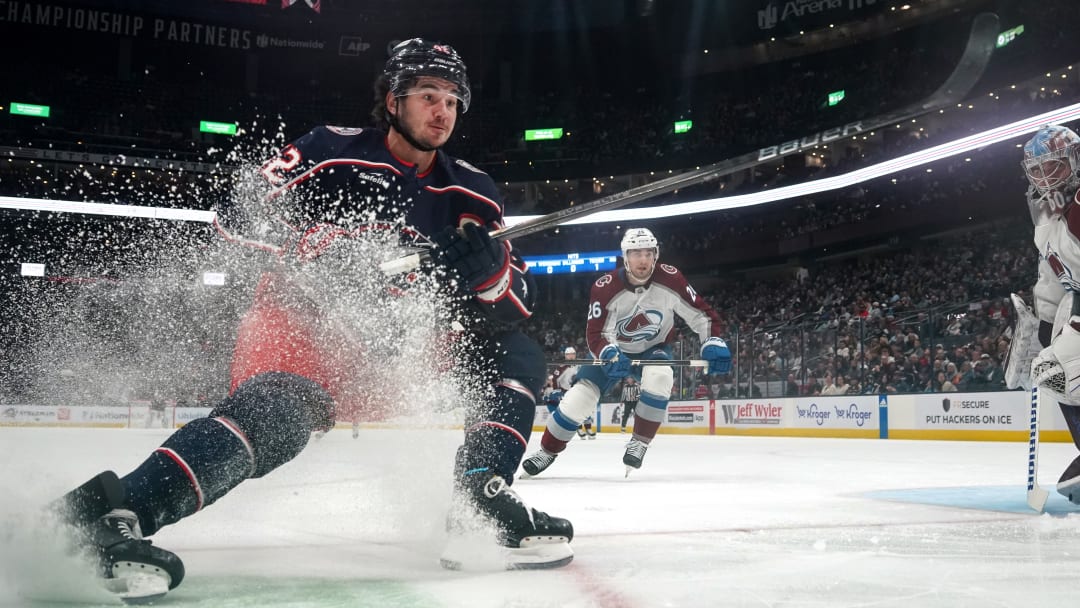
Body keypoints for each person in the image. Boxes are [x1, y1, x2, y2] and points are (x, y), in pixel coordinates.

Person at [51, 38, 573, 602]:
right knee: (278, 418)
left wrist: (489, 273)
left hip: (397, 355)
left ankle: (481, 496)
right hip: (299, 330)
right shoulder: (329, 149)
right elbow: (235, 211)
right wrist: (318, 250)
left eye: (451, 98)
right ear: (393, 101)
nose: (442, 110)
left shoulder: (473, 190)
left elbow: (520, 298)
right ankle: (112, 514)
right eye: (427, 95)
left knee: (513, 349)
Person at [520, 228, 731, 478]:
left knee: (661, 377)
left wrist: (713, 341)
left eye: (648, 253)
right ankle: (547, 450)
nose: (643, 260)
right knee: (580, 397)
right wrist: (609, 353)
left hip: (654, 349)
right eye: (636, 253)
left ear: (656, 255)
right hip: (614, 350)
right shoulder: (605, 287)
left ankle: (639, 443)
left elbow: (701, 315)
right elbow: (596, 334)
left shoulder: (672, 279)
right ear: (625, 256)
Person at [1008, 124, 1080, 505]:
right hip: (1075, 300)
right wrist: (1045, 324)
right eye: (1036, 170)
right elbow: (1052, 273)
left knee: (1064, 367)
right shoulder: (1045, 213)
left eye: (1053, 166)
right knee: (1053, 372)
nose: (1045, 176)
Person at [553, 346, 592, 438]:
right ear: (565, 355)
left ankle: (588, 427)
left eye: (572, 354)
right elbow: (555, 379)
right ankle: (579, 428)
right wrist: (557, 390)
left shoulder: (580, 363)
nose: (571, 356)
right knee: (575, 411)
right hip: (568, 392)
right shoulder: (562, 366)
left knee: (586, 409)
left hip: (580, 389)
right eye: (568, 354)